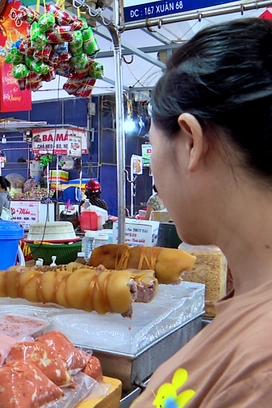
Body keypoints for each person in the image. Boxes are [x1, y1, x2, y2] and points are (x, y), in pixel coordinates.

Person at [130, 18, 272, 407]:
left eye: (151, 143)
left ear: (191, 142)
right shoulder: (248, 299)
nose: (156, 180)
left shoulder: (262, 375)